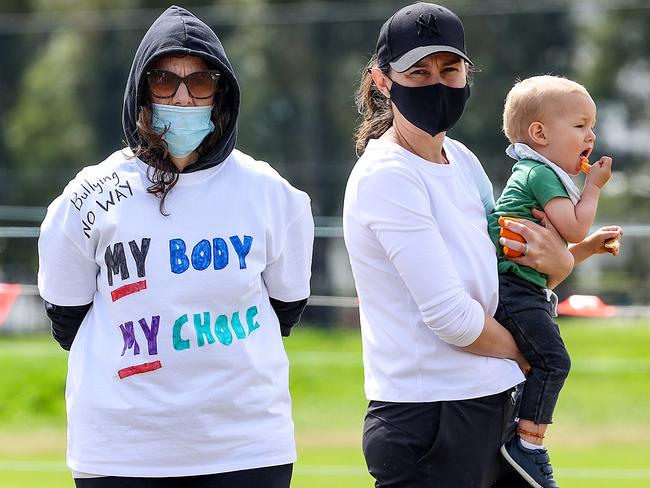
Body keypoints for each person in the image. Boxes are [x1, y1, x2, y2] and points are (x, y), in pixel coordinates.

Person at [343, 3, 621, 487]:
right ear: (383, 81)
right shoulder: (387, 176)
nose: (436, 82)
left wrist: (559, 262)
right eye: (418, 71)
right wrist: (530, 353)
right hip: (431, 418)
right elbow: (452, 318)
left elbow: (504, 271)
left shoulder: (462, 159)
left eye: (450, 70)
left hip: (491, 404)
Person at [37, 6, 313, 487]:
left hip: (244, 449)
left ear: (221, 93)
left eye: (200, 81)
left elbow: (286, 306)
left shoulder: (271, 193)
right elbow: (66, 317)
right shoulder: (89, 196)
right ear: (141, 94)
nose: (183, 97)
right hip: (121, 453)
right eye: (164, 80)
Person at [488, 75, 619, 487]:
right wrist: (593, 188)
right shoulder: (539, 174)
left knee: (539, 364)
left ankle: (519, 437)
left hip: (523, 287)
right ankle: (527, 446)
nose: (591, 136)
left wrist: (589, 249)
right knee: (554, 361)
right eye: (580, 126)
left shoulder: (539, 175)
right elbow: (575, 227)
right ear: (540, 133)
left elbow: (552, 259)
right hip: (515, 293)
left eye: (592, 126)